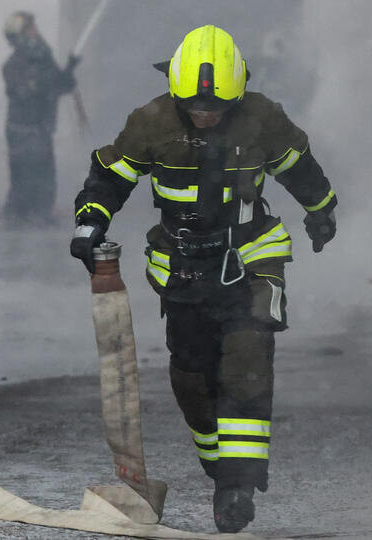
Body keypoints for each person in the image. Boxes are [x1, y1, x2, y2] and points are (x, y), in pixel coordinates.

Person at [69, 25, 337, 533]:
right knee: (191, 378)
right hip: (183, 265)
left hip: (252, 257)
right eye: (194, 106)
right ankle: (219, 464)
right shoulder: (151, 122)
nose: (206, 114)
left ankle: (236, 486)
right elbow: (112, 176)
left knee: (247, 358)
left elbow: (300, 169)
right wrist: (90, 221)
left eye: (215, 107)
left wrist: (322, 212)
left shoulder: (261, 118)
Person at [2, 11, 78, 229]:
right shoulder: (14, 65)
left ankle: (39, 218)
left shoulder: (44, 61)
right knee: (24, 181)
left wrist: (69, 71)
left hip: (41, 130)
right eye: (30, 29)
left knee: (45, 180)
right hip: (23, 131)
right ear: (20, 35)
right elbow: (28, 92)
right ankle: (16, 220)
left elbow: (60, 86)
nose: (36, 32)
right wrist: (49, 79)